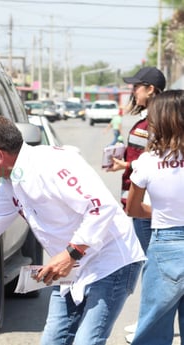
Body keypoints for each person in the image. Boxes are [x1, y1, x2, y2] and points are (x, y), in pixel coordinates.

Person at [0, 115, 146, 345]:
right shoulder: (11, 181)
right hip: (71, 269)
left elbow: (101, 207)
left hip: (110, 263)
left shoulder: (51, 164)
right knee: (53, 341)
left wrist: (70, 254)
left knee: (87, 342)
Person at [105, 66, 166, 342]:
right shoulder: (147, 116)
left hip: (147, 203)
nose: (133, 91)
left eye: (137, 86)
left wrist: (127, 163)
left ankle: (148, 323)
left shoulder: (158, 118)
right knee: (150, 264)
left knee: (153, 265)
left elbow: (157, 156)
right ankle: (147, 320)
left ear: (151, 89)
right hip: (138, 199)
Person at [126, 89, 184, 345]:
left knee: (153, 330)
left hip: (166, 244)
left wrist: (160, 212)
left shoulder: (148, 161)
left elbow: (133, 208)